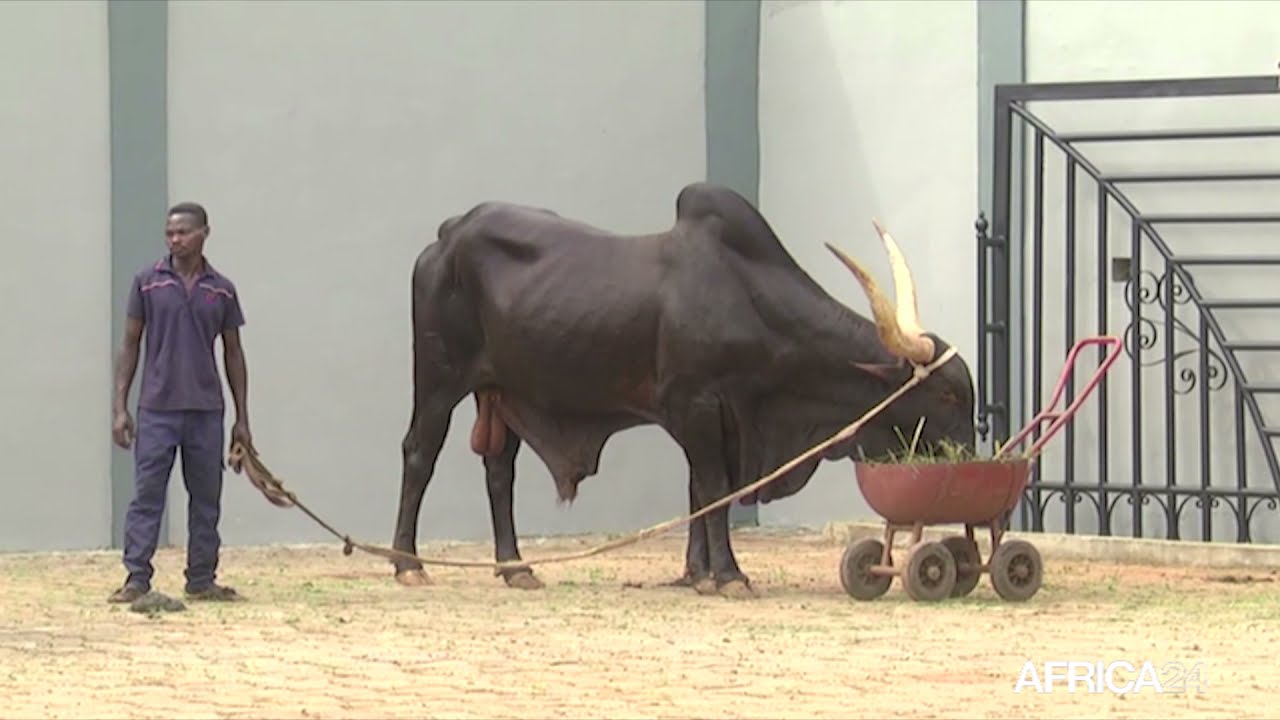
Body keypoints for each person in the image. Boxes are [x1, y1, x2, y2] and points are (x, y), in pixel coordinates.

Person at [108, 202, 254, 603]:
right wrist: (120, 407)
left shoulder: (221, 289)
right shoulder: (147, 282)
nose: (175, 239)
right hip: (156, 409)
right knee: (147, 496)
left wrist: (242, 419)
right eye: (170, 233)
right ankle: (137, 578)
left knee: (206, 497)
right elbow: (130, 344)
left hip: (206, 410)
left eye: (183, 232)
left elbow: (234, 354)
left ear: (204, 232)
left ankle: (202, 579)